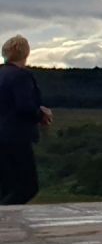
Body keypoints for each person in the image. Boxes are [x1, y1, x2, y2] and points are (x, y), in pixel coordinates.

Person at [0, 35, 52, 205]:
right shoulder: (21, 76)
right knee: (27, 187)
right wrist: (41, 114)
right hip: (16, 138)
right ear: (26, 52)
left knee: (7, 187)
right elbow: (25, 107)